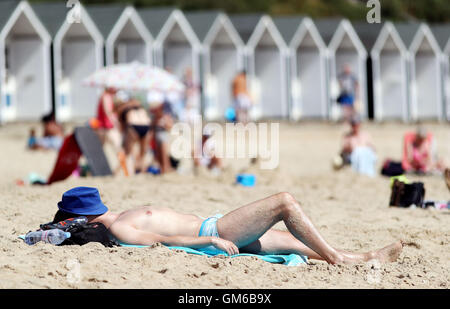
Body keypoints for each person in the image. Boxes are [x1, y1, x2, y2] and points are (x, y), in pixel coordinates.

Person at [52, 187, 404, 265]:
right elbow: (164, 240)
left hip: (216, 227)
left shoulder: (121, 217)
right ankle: (342, 260)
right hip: (216, 232)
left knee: (296, 243)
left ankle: (365, 256)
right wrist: (209, 242)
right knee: (284, 202)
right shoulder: (119, 230)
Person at [115, 91, 152, 174]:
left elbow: (122, 126)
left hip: (133, 126)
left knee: (127, 152)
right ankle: (141, 171)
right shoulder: (138, 104)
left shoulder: (122, 108)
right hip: (146, 126)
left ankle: (117, 172)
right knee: (143, 152)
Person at [148, 92, 174, 174]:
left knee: (164, 154)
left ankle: (166, 169)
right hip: (157, 136)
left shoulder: (165, 116)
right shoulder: (155, 117)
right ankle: (163, 169)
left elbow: (170, 126)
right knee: (159, 155)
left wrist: (163, 124)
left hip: (164, 136)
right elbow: (152, 128)